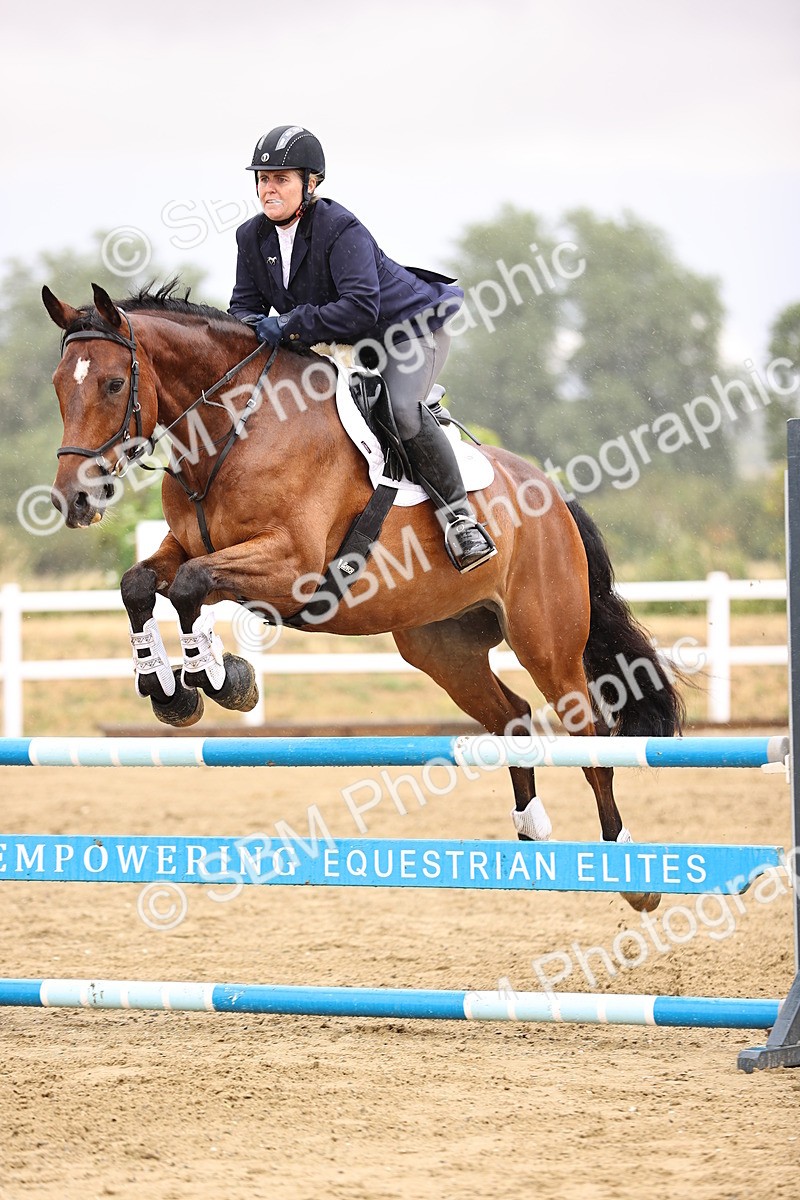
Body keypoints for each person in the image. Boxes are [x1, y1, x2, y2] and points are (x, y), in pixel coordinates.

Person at [228, 124, 496, 573]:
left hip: (408, 330)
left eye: (281, 179)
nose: (268, 189)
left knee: (401, 408)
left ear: (311, 184)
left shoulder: (339, 227)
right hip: (341, 341)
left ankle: (460, 520)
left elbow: (358, 307)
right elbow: (243, 306)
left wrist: (288, 324)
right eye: (262, 179)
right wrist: (254, 326)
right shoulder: (250, 237)